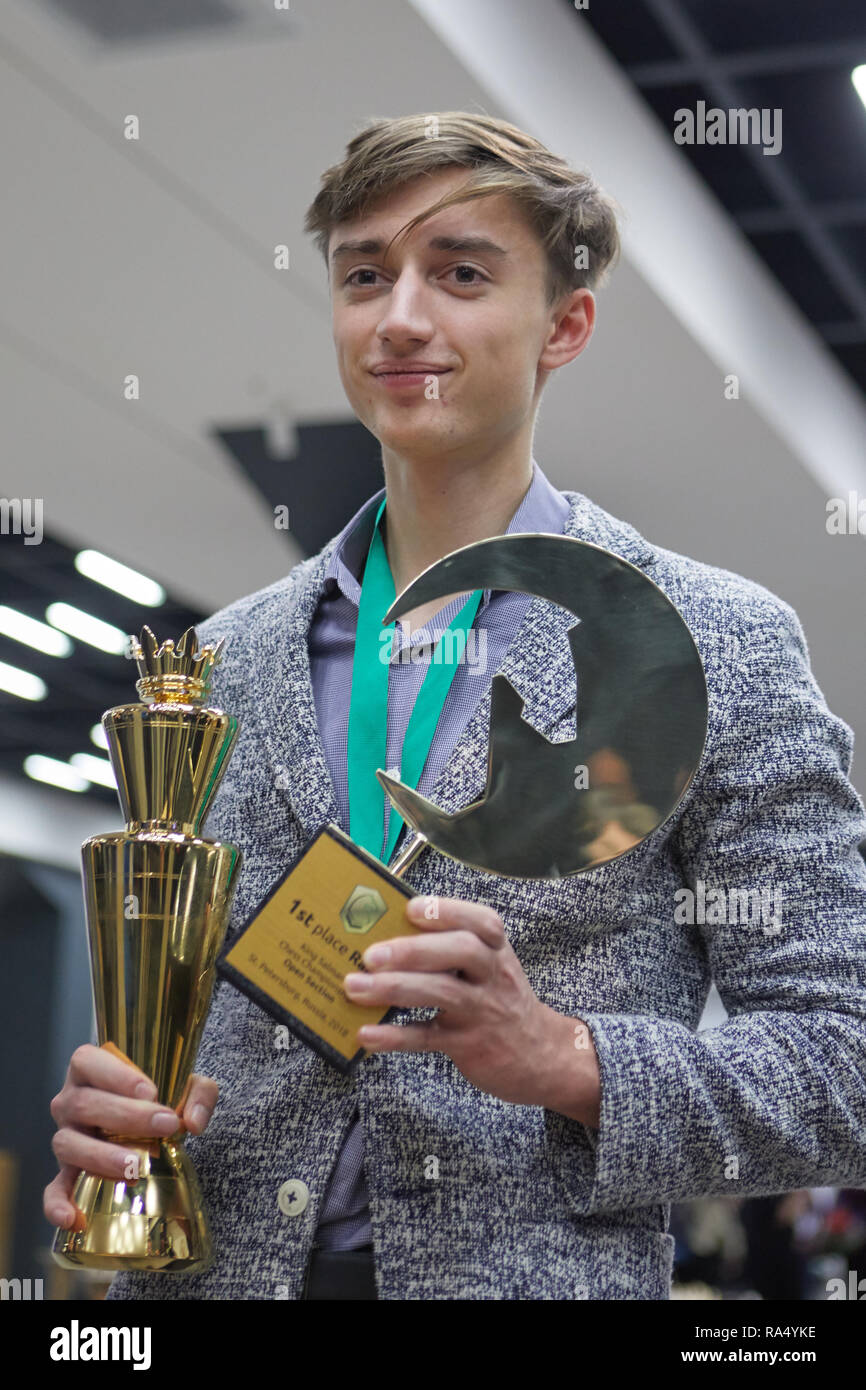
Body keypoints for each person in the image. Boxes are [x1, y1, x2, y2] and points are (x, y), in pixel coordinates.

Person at [45, 112, 866, 1301]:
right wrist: (120, 1112)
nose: (399, 318)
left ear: (564, 324)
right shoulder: (220, 664)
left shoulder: (709, 643)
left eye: (461, 273)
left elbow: (841, 1066)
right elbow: (192, 1029)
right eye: (364, 274)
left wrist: (568, 1058)